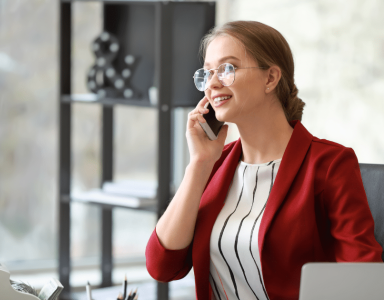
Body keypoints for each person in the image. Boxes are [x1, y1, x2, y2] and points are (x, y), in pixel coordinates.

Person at [145, 21, 383, 300]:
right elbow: (162, 266)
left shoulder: (330, 164)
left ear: (270, 78)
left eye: (227, 68)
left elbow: (362, 280)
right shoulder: (213, 166)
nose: (211, 84)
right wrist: (198, 164)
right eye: (207, 73)